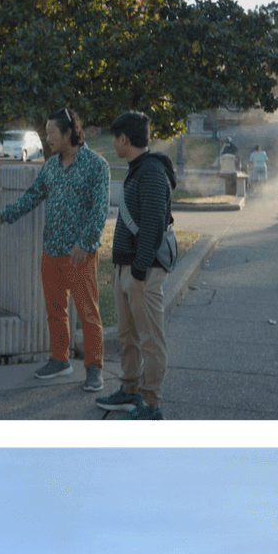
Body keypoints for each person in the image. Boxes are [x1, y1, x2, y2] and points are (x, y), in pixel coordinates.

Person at [0, 107, 109, 392]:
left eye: (51, 133)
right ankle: (60, 360)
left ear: (68, 133)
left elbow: (99, 211)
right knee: (54, 309)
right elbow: (32, 198)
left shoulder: (97, 165)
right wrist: (4, 215)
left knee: (88, 312)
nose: (47, 138)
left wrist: (84, 243)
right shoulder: (50, 166)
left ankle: (94, 367)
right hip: (51, 251)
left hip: (80, 254)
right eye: (46, 132)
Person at [99, 110, 177, 420]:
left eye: (114, 139)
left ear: (124, 139)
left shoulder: (151, 172)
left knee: (150, 341)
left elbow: (154, 225)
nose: (113, 144)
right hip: (126, 269)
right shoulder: (138, 169)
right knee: (127, 336)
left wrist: (140, 270)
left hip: (143, 271)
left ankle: (151, 404)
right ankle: (129, 391)